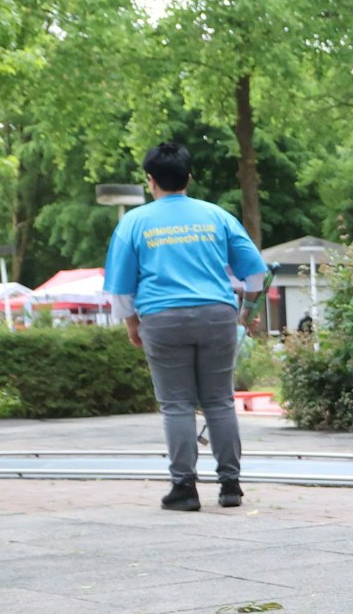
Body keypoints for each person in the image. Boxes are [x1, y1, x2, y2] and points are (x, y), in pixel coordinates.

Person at [103, 142, 266, 512]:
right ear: (188, 177)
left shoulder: (133, 223)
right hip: (217, 314)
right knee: (219, 401)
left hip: (162, 319)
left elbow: (122, 288)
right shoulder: (218, 217)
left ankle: (184, 488)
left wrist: (133, 325)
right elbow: (255, 272)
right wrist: (246, 311)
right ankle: (230, 486)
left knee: (175, 405)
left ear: (150, 181)